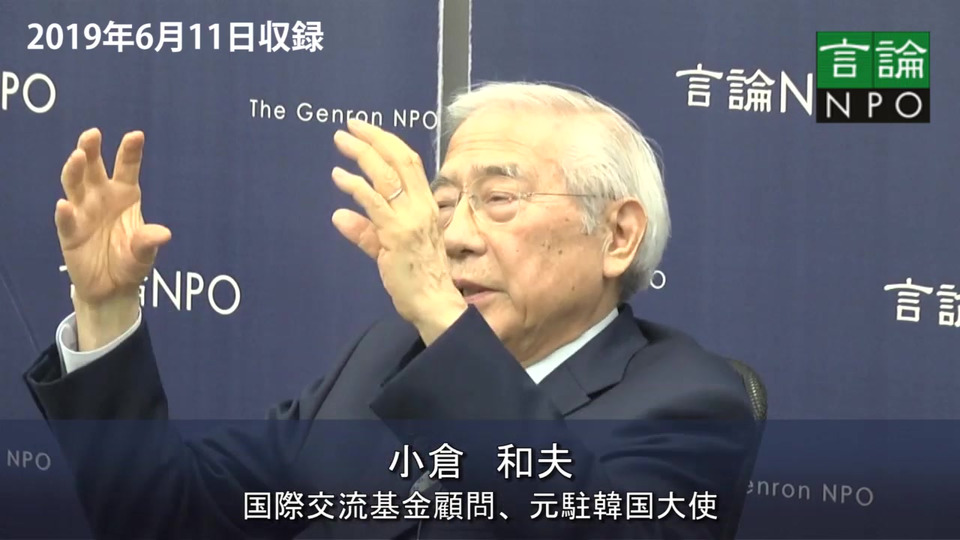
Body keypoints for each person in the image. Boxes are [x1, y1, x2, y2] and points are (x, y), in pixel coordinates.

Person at [23, 82, 760, 539]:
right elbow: (164, 515)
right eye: (444, 203)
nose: (456, 236)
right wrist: (105, 307)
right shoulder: (379, 361)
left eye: (500, 199)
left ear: (618, 236)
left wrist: (441, 314)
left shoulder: (690, 401)